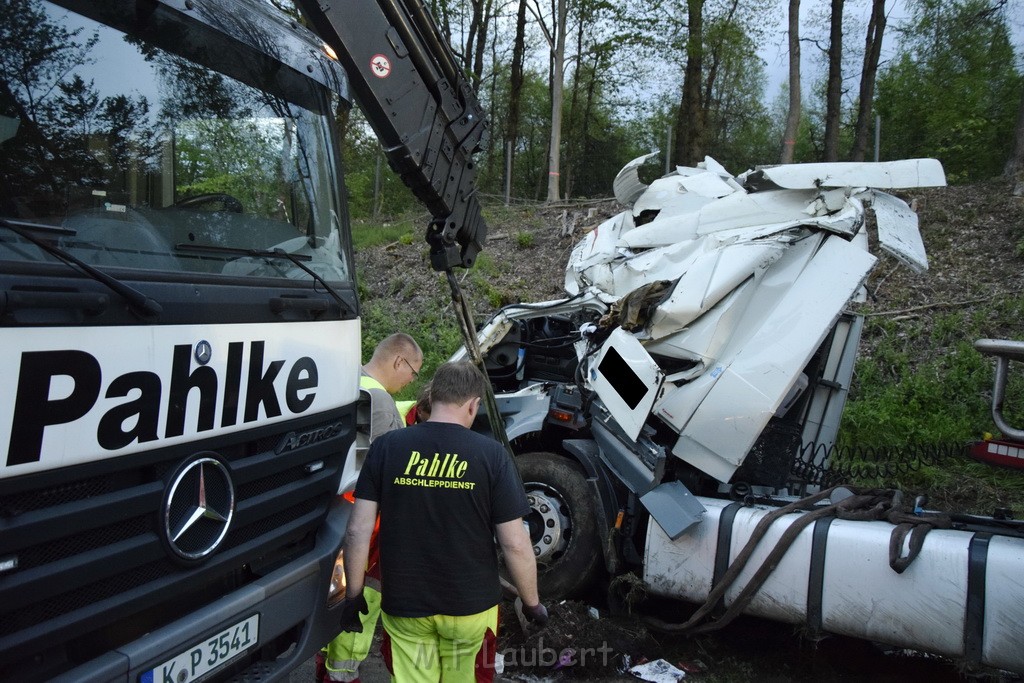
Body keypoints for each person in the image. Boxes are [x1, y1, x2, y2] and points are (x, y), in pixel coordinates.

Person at [339, 361, 547, 682]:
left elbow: (357, 530)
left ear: (432, 397)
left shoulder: (387, 448)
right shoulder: (491, 455)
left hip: (406, 605)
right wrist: (532, 603)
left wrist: (353, 596)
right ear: (473, 404)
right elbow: (515, 544)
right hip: (472, 609)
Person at [319, 333, 423, 683]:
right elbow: (370, 471)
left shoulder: (348, 381)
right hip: (364, 524)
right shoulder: (376, 399)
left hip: (333, 515)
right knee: (358, 601)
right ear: (398, 361)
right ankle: (340, 673)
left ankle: (329, 664)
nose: (412, 380)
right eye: (413, 371)